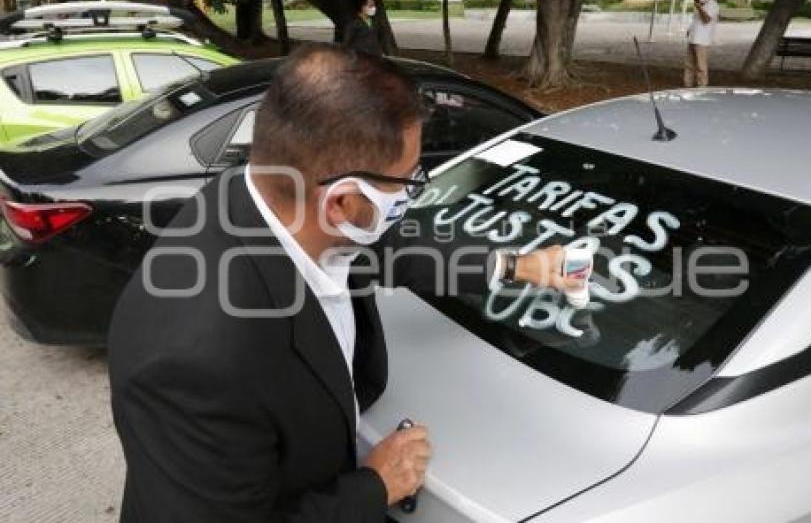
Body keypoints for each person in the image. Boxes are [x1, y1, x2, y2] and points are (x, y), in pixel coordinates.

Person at [108, 44, 583, 523]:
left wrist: (517, 266)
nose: (409, 195)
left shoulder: (268, 196)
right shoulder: (195, 365)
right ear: (341, 203)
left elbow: (391, 248)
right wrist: (374, 486)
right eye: (406, 182)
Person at [684, 0, 719, 87]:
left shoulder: (713, 5)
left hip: (702, 40)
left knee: (701, 65)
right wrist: (689, 29)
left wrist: (699, 8)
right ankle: (687, 84)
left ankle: (702, 86)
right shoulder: (700, 4)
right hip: (692, 38)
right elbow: (695, 20)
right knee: (689, 64)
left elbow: (706, 20)